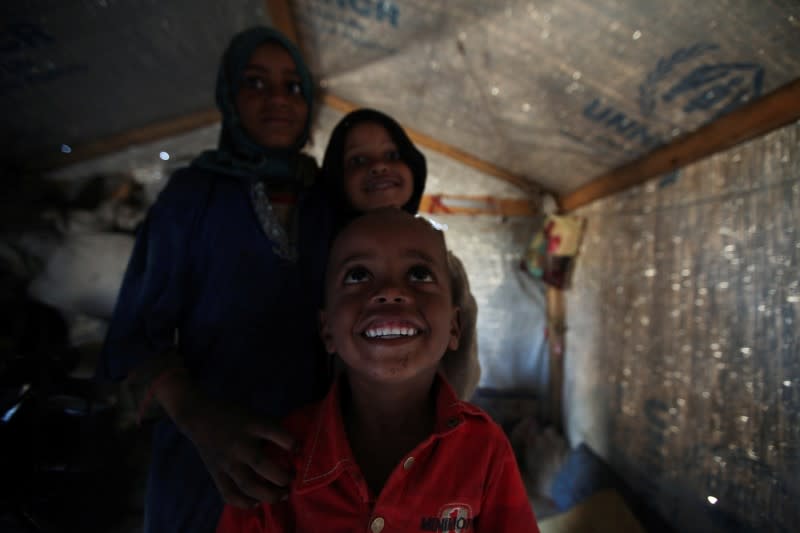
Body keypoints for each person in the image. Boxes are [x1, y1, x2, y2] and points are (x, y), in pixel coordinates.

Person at [98, 26, 329, 532]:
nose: (277, 100)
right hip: (206, 460)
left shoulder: (330, 200)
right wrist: (199, 417)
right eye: (256, 82)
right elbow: (134, 339)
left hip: (317, 457)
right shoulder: (191, 196)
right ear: (229, 96)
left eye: (294, 86)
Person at [217, 208, 540, 532]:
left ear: (455, 327)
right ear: (327, 329)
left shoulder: (483, 448)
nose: (390, 291)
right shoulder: (281, 457)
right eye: (358, 275)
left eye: (419, 274)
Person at [315, 108, 481, 400]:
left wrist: (451, 416)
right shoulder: (324, 260)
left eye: (392, 156)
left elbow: (463, 355)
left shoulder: (446, 265)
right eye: (358, 160)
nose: (379, 167)